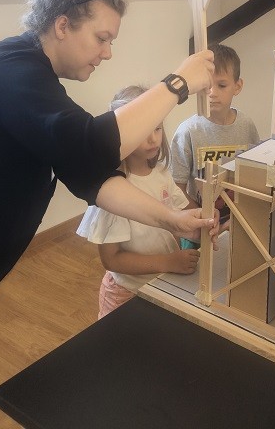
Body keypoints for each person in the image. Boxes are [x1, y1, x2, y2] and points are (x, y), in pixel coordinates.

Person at [0, 0, 216, 429]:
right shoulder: (8, 71)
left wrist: (174, 219)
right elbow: (90, 145)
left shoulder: (34, 84)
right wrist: (178, 83)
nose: (107, 52)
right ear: (62, 24)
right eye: (102, 38)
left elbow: (90, 175)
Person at [77, 85, 200, 319]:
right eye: (143, 130)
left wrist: (209, 223)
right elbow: (111, 259)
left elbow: (185, 210)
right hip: (126, 293)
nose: (153, 138)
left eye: (157, 128)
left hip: (161, 282)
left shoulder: (162, 173)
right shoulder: (113, 192)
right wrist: (169, 262)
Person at [170, 43, 260, 228]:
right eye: (207, 85)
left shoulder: (247, 126)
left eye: (222, 85)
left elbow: (255, 176)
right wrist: (205, 219)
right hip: (199, 226)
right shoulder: (187, 132)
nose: (212, 93)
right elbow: (176, 189)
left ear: (237, 86)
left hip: (238, 222)